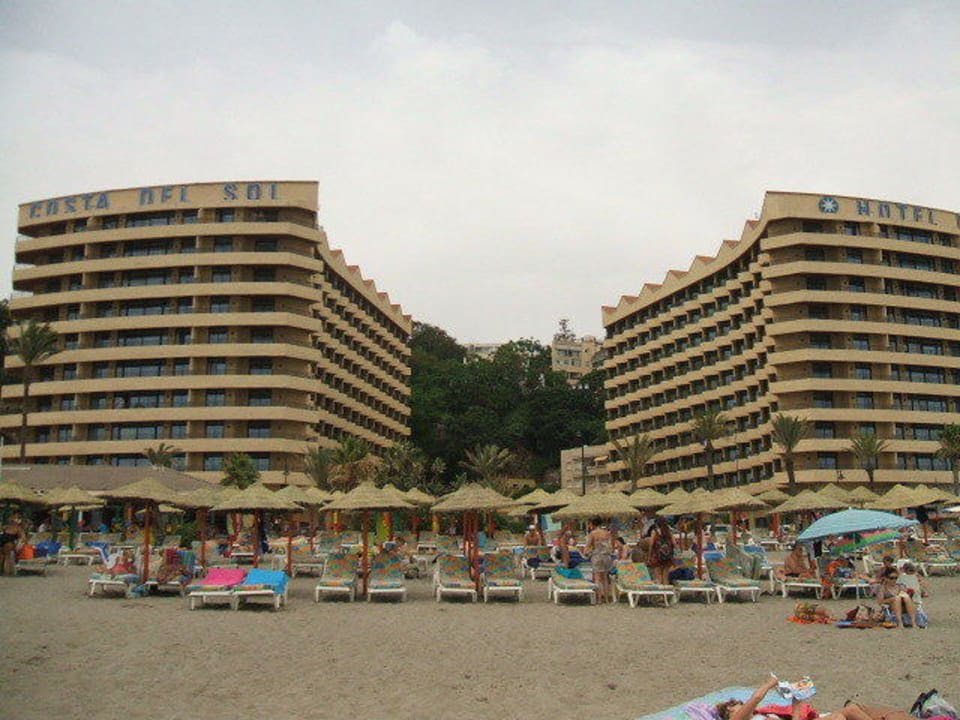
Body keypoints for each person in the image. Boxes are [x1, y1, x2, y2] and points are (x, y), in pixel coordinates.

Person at [716, 676, 897, 720]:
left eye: (738, 704)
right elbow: (755, 698)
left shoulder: (764, 715)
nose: (740, 707)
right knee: (843, 715)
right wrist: (771, 682)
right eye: (734, 708)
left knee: (850, 710)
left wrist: (798, 699)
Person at [583, 517, 614, 603]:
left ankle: (599, 598)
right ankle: (607, 599)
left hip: (597, 556)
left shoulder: (593, 534)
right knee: (605, 578)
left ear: (592, 524)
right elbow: (611, 545)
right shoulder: (607, 533)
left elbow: (588, 546)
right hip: (607, 557)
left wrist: (585, 553)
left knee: (597, 578)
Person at [647, 517, 675, 584]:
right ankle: (668, 593)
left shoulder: (655, 532)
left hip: (657, 556)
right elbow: (674, 543)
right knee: (665, 577)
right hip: (667, 557)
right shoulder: (669, 532)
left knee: (658, 577)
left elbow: (651, 544)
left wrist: (649, 556)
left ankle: (661, 593)